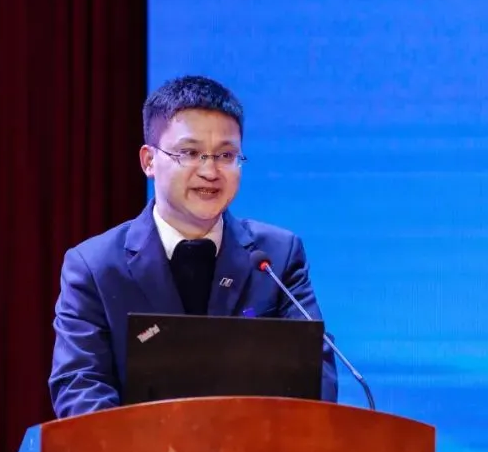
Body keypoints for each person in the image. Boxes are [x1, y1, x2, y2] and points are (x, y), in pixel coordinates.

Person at [48, 75, 338, 418]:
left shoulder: (277, 257)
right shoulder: (95, 267)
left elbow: (314, 376)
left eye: (226, 155)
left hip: (255, 449)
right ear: (149, 161)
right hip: (139, 451)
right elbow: (80, 387)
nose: (210, 171)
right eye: (190, 153)